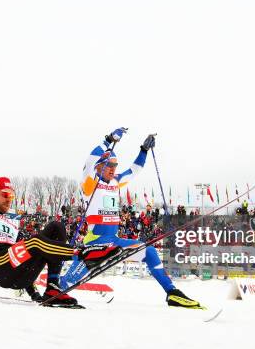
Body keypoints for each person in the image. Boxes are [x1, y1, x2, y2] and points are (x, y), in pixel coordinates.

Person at [60, 128, 202, 308]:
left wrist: (143, 150)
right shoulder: (90, 183)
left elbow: (134, 170)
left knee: (148, 251)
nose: (113, 169)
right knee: (65, 285)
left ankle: (172, 293)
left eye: (115, 165)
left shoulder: (116, 182)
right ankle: (44, 287)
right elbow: (89, 161)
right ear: (99, 166)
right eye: (109, 165)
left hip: (113, 242)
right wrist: (108, 139)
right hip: (94, 244)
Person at [0, 176, 119, 306]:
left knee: (56, 227)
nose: (8, 199)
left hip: (18, 273)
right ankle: (85, 253)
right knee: (35, 242)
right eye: (5, 194)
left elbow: (23, 254)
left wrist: (34, 293)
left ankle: (52, 287)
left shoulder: (12, 224)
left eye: (11, 196)